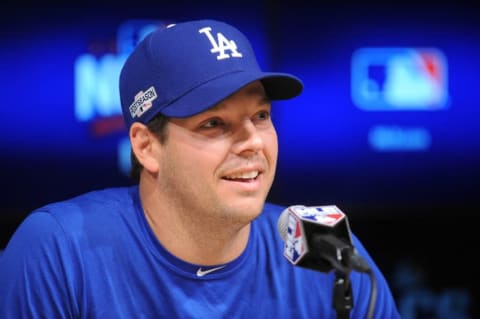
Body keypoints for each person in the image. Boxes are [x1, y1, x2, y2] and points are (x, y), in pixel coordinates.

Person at [0, 19, 400, 318]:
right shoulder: (58, 250)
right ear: (146, 147)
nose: (253, 142)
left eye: (260, 116)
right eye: (214, 123)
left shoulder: (328, 253)